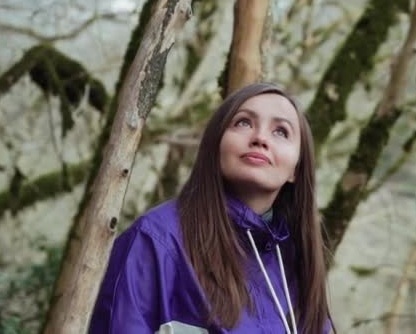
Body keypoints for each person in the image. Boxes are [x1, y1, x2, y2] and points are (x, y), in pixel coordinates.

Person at [90, 82, 332, 333]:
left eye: (281, 132)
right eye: (244, 122)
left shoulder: (297, 264)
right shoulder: (156, 240)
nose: (260, 138)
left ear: (296, 168)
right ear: (215, 144)